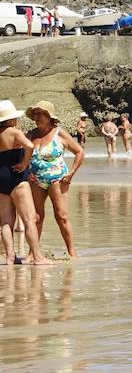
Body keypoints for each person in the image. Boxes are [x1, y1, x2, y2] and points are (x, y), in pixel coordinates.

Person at [25, 100, 83, 257]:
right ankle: (33, 253)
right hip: (35, 180)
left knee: (61, 216)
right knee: (37, 217)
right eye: (35, 114)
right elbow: (20, 155)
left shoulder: (60, 133)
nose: (36, 117)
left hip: (57, 180)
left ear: (49, 117)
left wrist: (70, 173)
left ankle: (72, 253)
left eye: (40, 114)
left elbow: (79, 152)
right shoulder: (30, 135)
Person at [0, 100, 50, 264]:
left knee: (6, 221)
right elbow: (29, 145)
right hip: (16, 176)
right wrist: (24, 163)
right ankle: (37, 257)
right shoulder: (14, 132)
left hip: (1, 177)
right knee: (29, 219)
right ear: (11, 119)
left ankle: (9, 257)